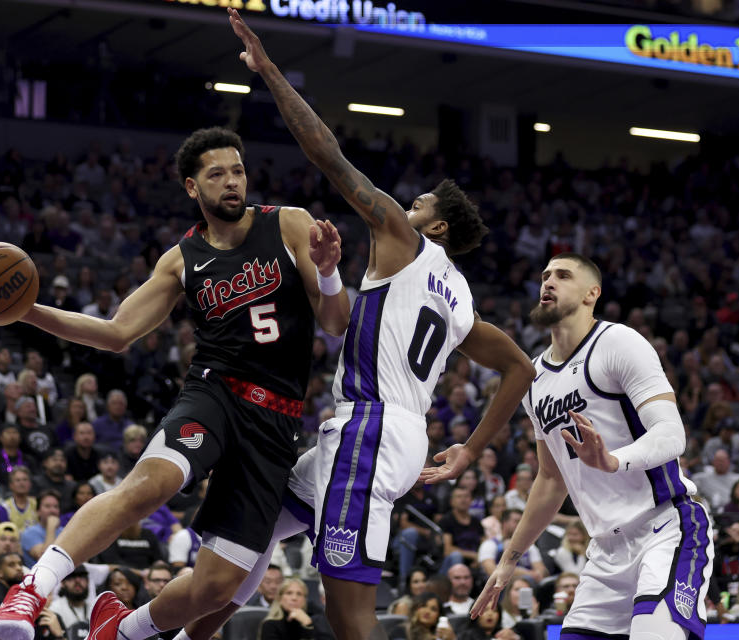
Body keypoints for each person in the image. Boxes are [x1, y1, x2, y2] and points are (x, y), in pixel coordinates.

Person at [174, 12, 535, 640]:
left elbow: (327, 154)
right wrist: (472, 450)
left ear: (437, 226)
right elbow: (520, 368)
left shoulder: (401, 235)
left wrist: (269, 73)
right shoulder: (461, 295)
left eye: (421, 202)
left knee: (348, 614)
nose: (407, 202)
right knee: (250, 541)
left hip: (369, 429)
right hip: (392, 438)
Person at [0, 121, 351, 640]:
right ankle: (32, 586)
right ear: (192, 187)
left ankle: (121, 629)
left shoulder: (289, 224)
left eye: (239, 171)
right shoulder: (181, 259)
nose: (232, 182)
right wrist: (26, 311)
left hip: (276, 423)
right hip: (215, 393)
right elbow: (116, 333)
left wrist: (330, 271)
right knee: (151, 485)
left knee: (216, 588)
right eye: (217, 173)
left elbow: (335, 322)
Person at [471, 253, 714, 640]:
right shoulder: (534, 380)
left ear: (591, 294)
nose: (548, 282)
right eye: (545, 275)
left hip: (665, 528)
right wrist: (507, 561)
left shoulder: (617, 342)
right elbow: (550, 480)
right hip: (604, 550)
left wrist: (612, 460)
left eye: (563, 276)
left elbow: (672, 435)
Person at [21, 490, 63, 569]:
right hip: (39, 577)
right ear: (38, 511)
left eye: (56, 507)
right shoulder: (30, 533)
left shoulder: (64, 531)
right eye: (47, 506)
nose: (52, 510)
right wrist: (51, 527)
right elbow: (46, 559)